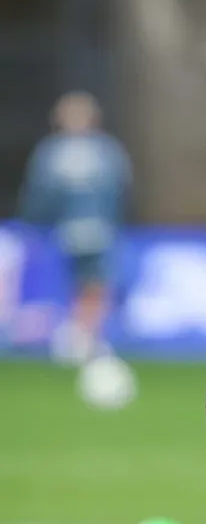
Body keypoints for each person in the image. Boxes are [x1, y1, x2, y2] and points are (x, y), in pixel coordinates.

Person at [19, 92, 131, 364]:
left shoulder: (54, 151)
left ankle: (82, 337)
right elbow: (122, 189)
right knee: (87, 285)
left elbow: (37, 194)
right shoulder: (105, 151)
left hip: (83, 232)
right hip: (79, 232)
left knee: (93, 285)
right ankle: (81, 337)